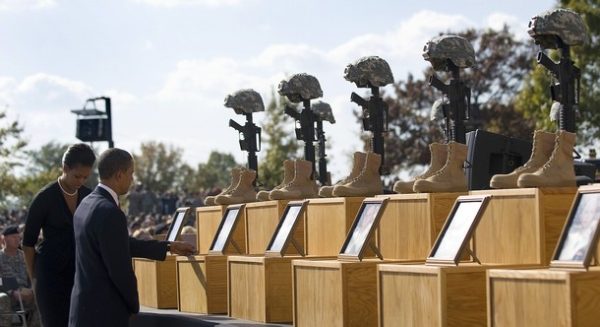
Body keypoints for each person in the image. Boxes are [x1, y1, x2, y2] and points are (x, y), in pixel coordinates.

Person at [69, 148, 195, 327]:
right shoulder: (109, 212)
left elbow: (118, 244)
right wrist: (133, 305)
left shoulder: (85, 204)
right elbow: (119, 269)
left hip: (83, 309)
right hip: (104, 314)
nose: (133, 179)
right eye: (131, 173)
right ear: (119, 175)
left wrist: (168, 247)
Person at [22, 143, 96, 327]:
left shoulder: (89, 197)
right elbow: (28, 243)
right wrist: (34, 279)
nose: (80, 181)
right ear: (65, 168)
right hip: (50, 277)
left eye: (85, 177)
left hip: (80, 276)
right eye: (77, 176)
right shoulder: (44, 198)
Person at [0, 225, 40, 327]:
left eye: (18, 237)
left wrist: (32, 290)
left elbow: (34, 275)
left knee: (41, 296)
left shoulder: (25, 256)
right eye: (13, 237)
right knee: (3, 298)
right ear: (4, 238)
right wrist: (12, 292)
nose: (17, 240)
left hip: (25, 294)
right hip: (6, 294)